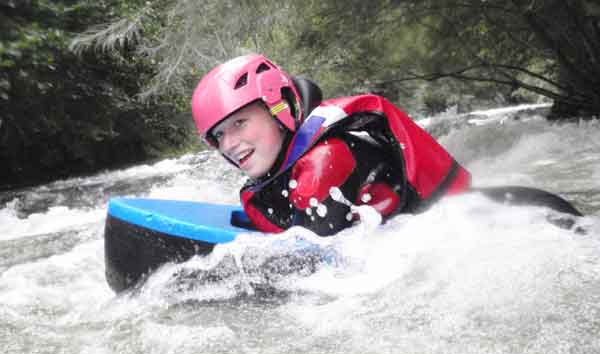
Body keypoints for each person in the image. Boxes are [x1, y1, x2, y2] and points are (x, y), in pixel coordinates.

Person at [190, 54, 578, 236]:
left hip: (473, 229)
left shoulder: (322, 162)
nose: (231, 144)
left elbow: (313, 270)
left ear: (280, 111)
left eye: (240, 122)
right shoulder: (282, 171)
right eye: (219, 135)